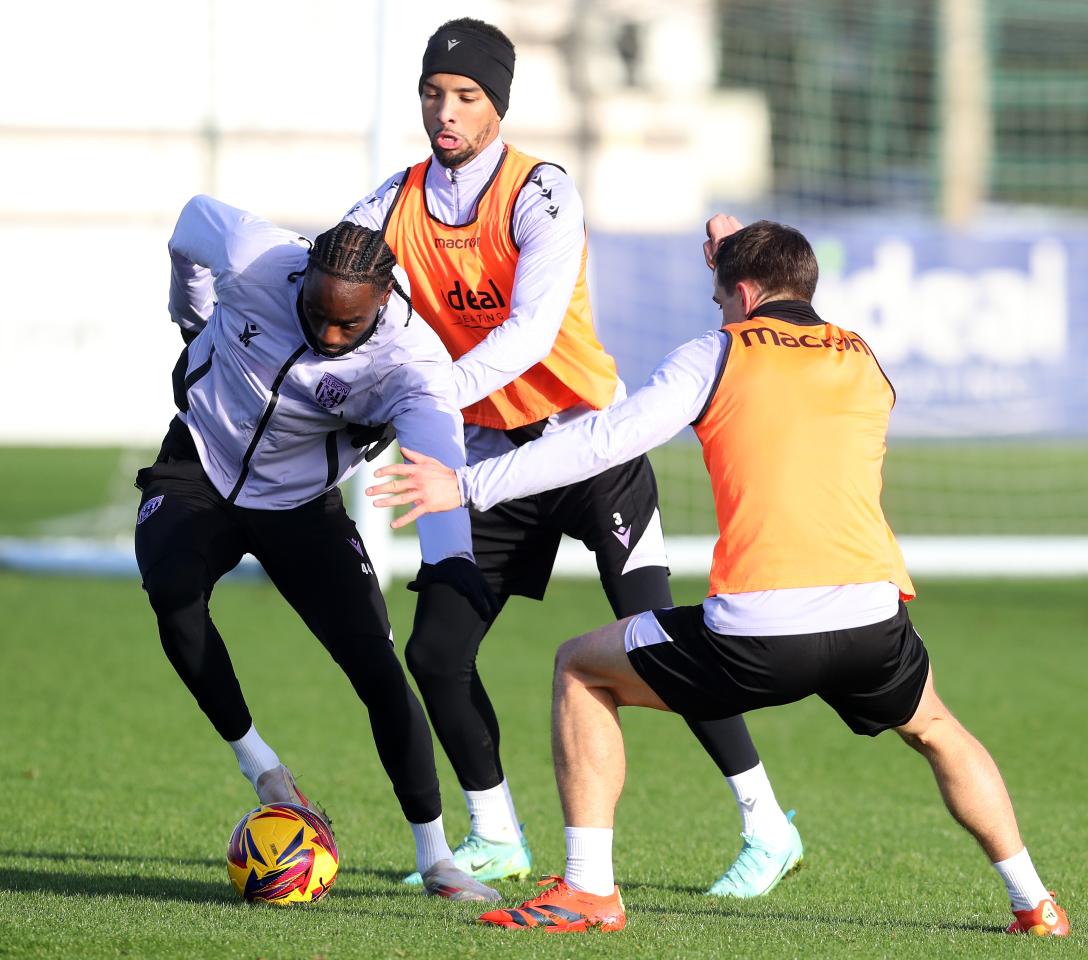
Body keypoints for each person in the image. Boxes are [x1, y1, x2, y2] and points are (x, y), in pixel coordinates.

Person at [365, 216, 1071, 936]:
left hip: (762, 630)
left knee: (580, 667)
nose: (717, 311)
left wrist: (470, 485)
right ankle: (1034, 901)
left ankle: (588, 892)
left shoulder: (715, 354)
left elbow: (608, 438)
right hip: (871, 619)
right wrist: (740, 271)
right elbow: (785, 333)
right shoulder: (863, 357)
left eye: (719, 297)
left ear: (739, 292)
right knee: (940, 731)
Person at [343, 17, 800, 897]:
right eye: (434, 93)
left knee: (665, 646)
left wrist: (426, 399)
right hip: (487, 461)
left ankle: (767, 824)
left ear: (497, 105)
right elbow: (332, 264)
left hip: (590, 449)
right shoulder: (394, 201)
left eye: (466, 96)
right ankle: (497, 835)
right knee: (436, 652)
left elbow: (530, 334)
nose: (446, 109)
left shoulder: (540, 191)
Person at [134, 194, 504, 901]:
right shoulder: (254, 258)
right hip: (199, 464)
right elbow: (186, 225)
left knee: (376, 669)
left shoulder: (411, 364)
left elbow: (436, 463)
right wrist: (192, 314)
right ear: (301, 278)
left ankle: (437, 859)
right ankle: (266, 771)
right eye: (318, 315)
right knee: (173, 594)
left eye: (350, 323)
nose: (332, 335)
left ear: (384, 301)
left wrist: (451, 557)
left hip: (300, 505)